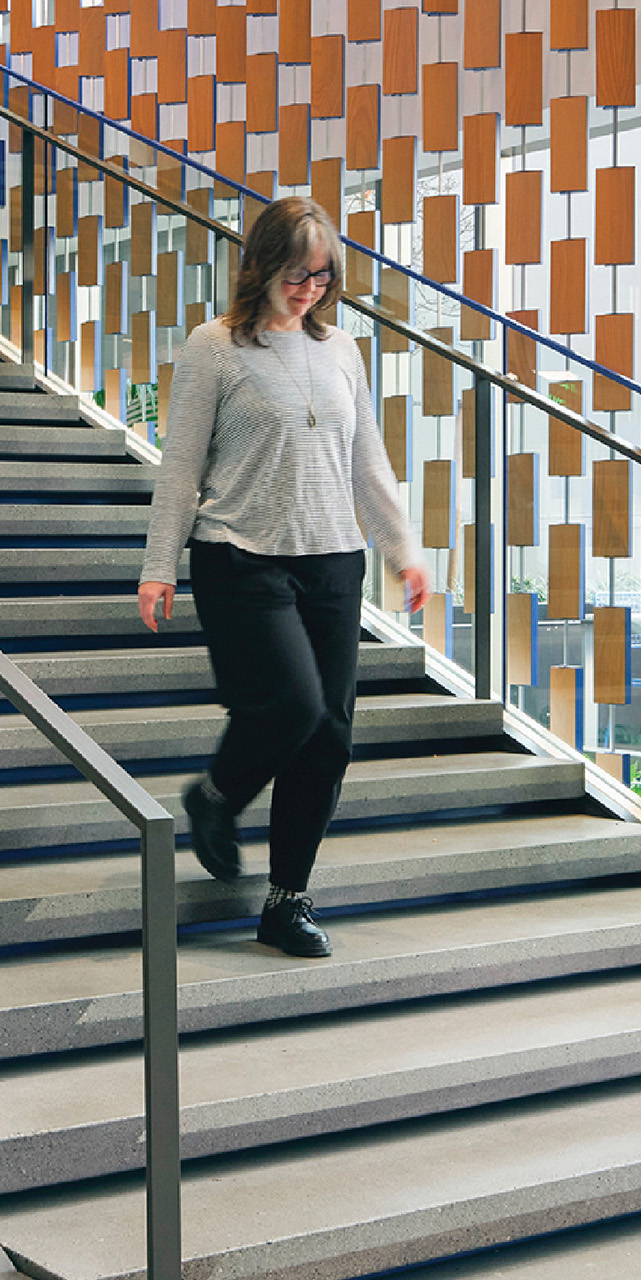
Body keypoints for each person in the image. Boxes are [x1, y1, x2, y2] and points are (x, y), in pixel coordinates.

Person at [137, 196, 429, 957]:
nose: (309, 290)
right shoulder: (215, 348)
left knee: (328, 734)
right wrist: (158, 565)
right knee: (293, 706)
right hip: (240, 552)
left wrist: (405, 552)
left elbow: (368, 460)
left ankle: (286, 901)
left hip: (333, 557)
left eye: (323, 277)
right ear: (264, 265)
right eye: (297, 273)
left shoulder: (342, 351)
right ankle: (216, 796)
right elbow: (181, 464)